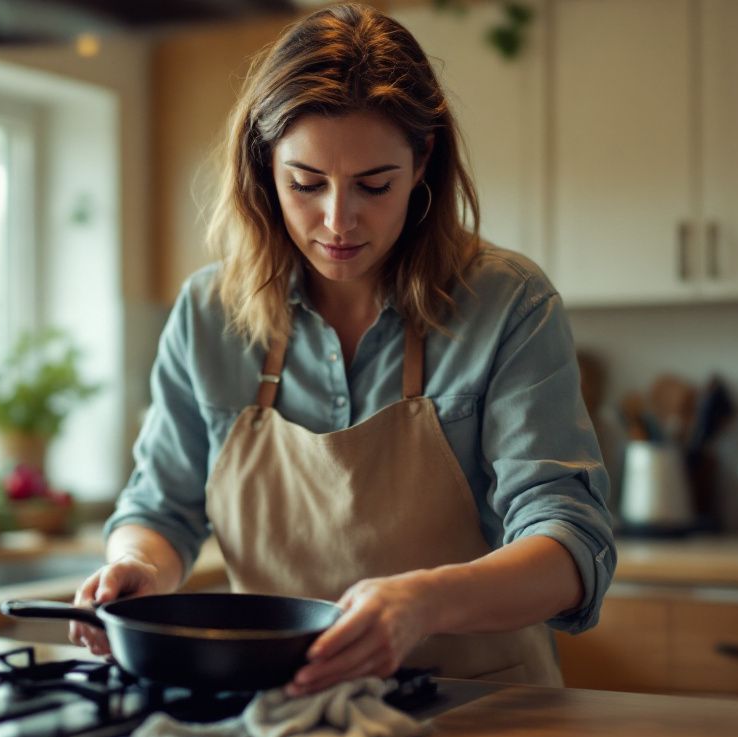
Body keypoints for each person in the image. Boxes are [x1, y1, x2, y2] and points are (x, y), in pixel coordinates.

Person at [71, 2, 614, 695]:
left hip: (478, 715)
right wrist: (138, 568)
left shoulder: (508, 303)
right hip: (271, 714)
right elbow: (160, 510)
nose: (337, 221)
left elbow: (572, 546)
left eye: (373, 185)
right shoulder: (208, 314)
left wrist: (426, 603)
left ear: (422, 162)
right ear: (265, 166)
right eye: (306, 184)